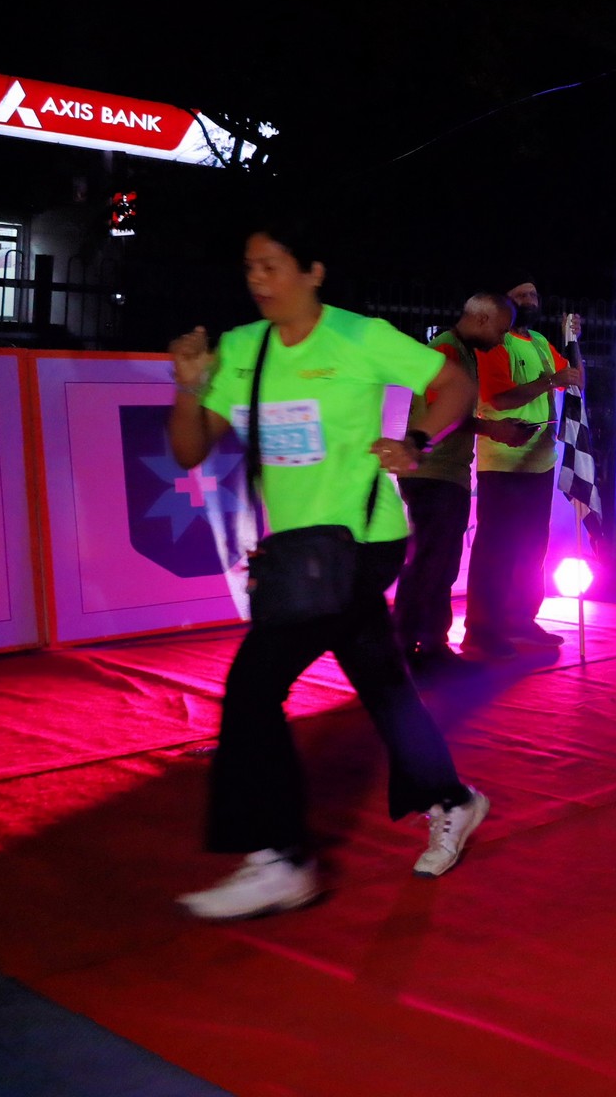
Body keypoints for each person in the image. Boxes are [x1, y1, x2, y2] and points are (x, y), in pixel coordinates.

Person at [165, 225, 486, 920]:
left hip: (363, 542)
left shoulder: (358, 337)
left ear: (313, 271)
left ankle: (280, 857)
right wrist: (188, 389)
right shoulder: (243, 349)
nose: (258, 279)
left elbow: (454, 383)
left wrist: (416, 441)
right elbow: (190, 450)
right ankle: (451, 798)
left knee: (252, 688)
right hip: (299, 553)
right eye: (250, 267)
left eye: (272, 266)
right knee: (382, 682)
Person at [461, 280, 581, 659]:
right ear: (504, 303)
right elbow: (499, 397)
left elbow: (574, 380)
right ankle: (482, 628)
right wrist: (550, 381)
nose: (530, 301)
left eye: (534, 295)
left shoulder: (541, 342)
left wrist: (572, 343)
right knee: (497, 548)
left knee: (532, 547)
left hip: (540, 461)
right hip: (505, 462)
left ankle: (521, 619)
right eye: (521, 296)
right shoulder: (497, 343)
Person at [391, 292, 510, 669]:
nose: (501, 340)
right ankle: (416, 648)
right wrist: (493, 429)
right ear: (482, 319)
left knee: (436, 563)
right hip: (434, 473)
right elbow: (444, 413)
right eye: (500, 330)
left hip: (441, 473)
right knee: (431, 564)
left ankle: (422, 646)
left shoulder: (458, 350)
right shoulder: (447, 351)